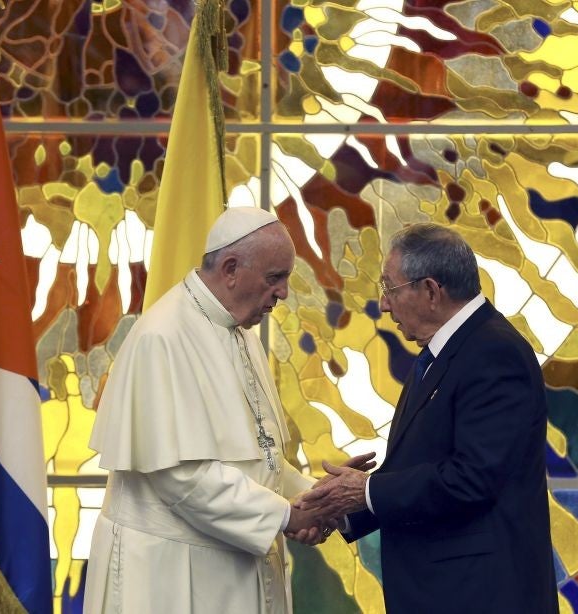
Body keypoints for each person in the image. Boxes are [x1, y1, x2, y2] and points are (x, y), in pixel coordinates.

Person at [84, 207, 373, 614]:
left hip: (230, 562)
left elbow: (259, 456)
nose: (284, 293)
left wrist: (315, 497)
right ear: (232, 268)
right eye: (276, 278)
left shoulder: (239, 330)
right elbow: (180, 475)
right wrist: (288, 515)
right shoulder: (163, 337)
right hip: (168, 574)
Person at [301, 223, 559, 614]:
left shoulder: (493, 353)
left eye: (390, 288)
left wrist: (366, 491)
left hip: (479, 596)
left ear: (431, 291)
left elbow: (472, 478)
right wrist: (344, 507)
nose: (384, 305)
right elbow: (428, 464)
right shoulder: (447, 351)